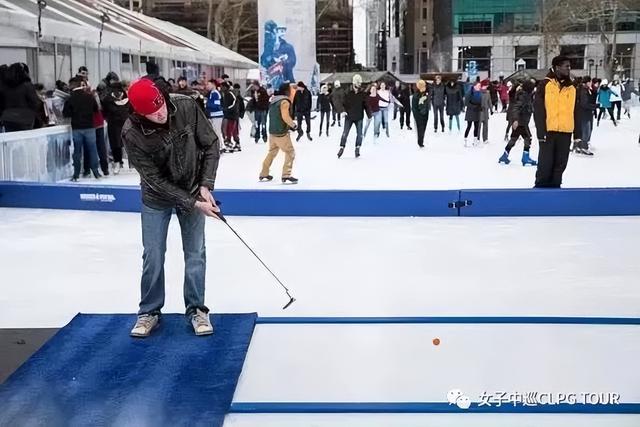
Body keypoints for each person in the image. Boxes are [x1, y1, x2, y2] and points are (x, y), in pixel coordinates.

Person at [121, 78, 220, 338]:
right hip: (157, 197)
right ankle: (149, 311)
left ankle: (197, 309)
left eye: (161, 104)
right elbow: (155, 180)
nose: (161, 112)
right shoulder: (132, 132)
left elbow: (210, 143)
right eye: (153, 112)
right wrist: (193, 203)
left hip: (192, 188)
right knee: (153, 254)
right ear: (139, 113)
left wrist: (205, 185)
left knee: (196, 252)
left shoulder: (185, 106)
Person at [533, 55, 580, 188]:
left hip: (565, 132)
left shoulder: (572, 88)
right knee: (545, 164)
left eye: (569, 66)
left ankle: (556, 190)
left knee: (560, 164)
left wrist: (577, 134)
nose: (569, 69)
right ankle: (540, 191)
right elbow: (539, 110)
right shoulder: (545, 85)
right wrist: (541, 132)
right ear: (557, 67)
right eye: (566, 66)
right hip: (549, 131)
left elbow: (576, 111)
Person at [259, 83, 298, 184]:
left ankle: (264, 173)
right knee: (290, 152)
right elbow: (285, 116)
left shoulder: (273, 101)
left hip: (272, 132)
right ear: (286, 91)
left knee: (272, 152)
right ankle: (286, 174)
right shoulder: (284, 102)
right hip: (281, 133)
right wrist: (293, 125)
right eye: (290, 89)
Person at [63, 77, 101, 181]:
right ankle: (96, 172)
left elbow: (65, 114)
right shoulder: (89, 97)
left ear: (72, 85)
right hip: (89, 127)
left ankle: (76, 174)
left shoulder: (70, 99)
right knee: (93, 149)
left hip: (77, 128)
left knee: (77, 151)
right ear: (81, 84)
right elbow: (96, 109)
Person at [498, 79, 537, 166]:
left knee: (514, 138)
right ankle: (525, 158)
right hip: (521, 122)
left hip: (522, 121)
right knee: (527, 138)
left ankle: (504, 156)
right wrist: (515, 120)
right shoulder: (523, 96)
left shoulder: (527, 95)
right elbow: (516, 107)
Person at [337, 74, 369, 159]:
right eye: (358, 83)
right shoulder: (347, 92)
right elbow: (342, 103)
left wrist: (369, 115)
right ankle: (341, 147)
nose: (360, 84)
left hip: (359, 117)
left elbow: (366, 105)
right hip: (349, 117)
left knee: (359, 134)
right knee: (345, 133)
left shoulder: (362, 93)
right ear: (354, 83)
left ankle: (357, 148)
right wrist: (343, 111)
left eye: (360, 83)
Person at [0, 63, 39, 132]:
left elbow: (2, 103)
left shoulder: (5, 87)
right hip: (25, 119)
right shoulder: (27, 85)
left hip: (8, 119)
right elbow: (35, 103)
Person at [101, 81, 130, 174]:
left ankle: (117, 162)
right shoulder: (127, 98)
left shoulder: (107, 99)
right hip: (126, 123)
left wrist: (107, 118)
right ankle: (130, 163)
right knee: (127, 143)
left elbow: (104, 112)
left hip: (113, 123)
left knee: (115, 144)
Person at [205, 79, 225, 150]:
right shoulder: (211, 93)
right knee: (215, 131)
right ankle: (220, 145)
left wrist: (207, 104)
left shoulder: (215, 93)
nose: (207, 86)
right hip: (213, 115)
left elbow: (216, 105)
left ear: (213, 85)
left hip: (217, 115)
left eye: (209, 84)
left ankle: (219, 146)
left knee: (217, 131)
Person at [220, 82, 241, 152]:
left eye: (222, 87)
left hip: (232, 115)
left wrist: (227, 109)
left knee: (229, 130)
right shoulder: (225, 94)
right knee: (230, 130)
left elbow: (234, 104)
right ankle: (234, 143)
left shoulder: (230, 94)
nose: (221, 88)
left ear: (226, 87)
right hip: (228, 115)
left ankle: (230, 143)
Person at [411, 79, 430, 148]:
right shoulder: (416, 95)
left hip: (425, 114)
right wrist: (417, 116)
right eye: (423, 86)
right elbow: (414, 107)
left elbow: (427, 103)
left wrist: (427, 111)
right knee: (420, 129)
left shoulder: (426, 93)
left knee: (423, 128)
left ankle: (421, 141)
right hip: (419, 115)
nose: (424, 87)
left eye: (424, 85)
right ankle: (420, 142)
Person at [463, 81, 482, 147]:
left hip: (477, 111)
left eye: (480, 85)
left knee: (476, 127)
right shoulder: (469, 93)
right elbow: (466, 103)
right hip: (470, 112)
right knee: (469, 126)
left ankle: (475, 141)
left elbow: (480, 101)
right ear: (474, 86)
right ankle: (465, 140)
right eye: (478, 85)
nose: (480, 87)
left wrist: (480, 107)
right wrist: (474, 106)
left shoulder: (480, 93)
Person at [479, 79, 493, 144]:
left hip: (486, 111)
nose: (486, 87)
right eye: (485, 85)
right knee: (478, 126)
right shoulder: (478, 92)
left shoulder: (488, 93)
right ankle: (477, 138)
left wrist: (491, 109)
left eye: (487, 85)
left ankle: (485, 139)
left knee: (486, 126)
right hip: (480, 111)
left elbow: (489, 101)